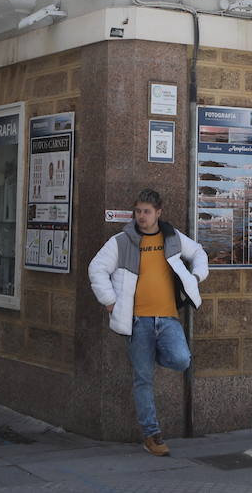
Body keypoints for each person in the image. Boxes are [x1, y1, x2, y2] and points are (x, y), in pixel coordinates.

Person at [88, 190, 208, 456]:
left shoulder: (172, 237)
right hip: (137, 321)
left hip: (167, 318)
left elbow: (199, 252)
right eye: (138, 211)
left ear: (158, 213)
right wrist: (109, 300)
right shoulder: (121, 241)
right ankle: (151, 435)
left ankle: (152, 354)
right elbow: (96, 268)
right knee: (143, 380)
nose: (141, 216)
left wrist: (196, 277)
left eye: (147, 211)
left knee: (181, 360)